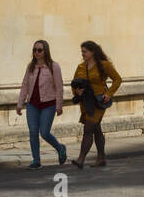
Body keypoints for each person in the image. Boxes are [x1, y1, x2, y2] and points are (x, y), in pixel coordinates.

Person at [71, 40, 121, 168]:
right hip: (85, 102)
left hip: (99, 102)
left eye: (85, 51)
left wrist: (109, 94)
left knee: (88, 129)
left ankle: (81, 159)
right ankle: (101, 158)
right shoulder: (80, 67)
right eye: (81, 52)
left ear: (92, 52)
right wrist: (77, 91)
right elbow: (74, 83)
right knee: (96, 129)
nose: (82, 54)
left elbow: (117, 79)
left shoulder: (104, 65)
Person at [16, 39, 66, 169]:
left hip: (48, 104)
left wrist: (59, 105)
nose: (36, 53)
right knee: (33, 132)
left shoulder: (54, 66)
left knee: (44, 132)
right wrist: (20, 104)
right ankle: (36, 161)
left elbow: (59, 87)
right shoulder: (30, 66)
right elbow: (25, 85)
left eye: (39, 50)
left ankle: (60, 148)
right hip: (32, 104)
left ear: (45, 51)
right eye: (34, 50)